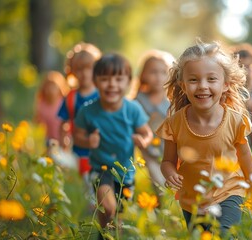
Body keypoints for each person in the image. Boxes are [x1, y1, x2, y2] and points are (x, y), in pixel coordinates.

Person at [157, 40, 252, 236]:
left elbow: (244, 156)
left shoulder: (234, 120)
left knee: (223, 234)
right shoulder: (174, 124)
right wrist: (169, 172)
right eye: (193, 80)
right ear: (183, 85)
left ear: (225, 85)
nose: (202, 86)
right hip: (193, 200)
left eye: (211, 79)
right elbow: (167, 161)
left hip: (229, 192)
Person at [73, 53, 153, 232]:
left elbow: (147, 133)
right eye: (105, 79)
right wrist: (87, 141)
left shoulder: (132, 109)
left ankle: (105, 235)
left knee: (117, 215)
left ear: (128, 82)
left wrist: (143, 141)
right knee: (108, 206)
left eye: (118, 79)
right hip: (100, 168)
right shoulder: (87, 111)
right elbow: (76, 135)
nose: (112, 84)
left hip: (125, 172)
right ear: (95, 81)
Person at [57, 42, 101, 177]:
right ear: (72, 71)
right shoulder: (71, 97)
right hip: (79, 150)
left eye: (89, 68)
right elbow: (63, 122)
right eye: (79, 69)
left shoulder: (103, 94)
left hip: (102, 149)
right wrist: (62, 144)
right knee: (87, 186)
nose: (85, 73)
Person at [134, 49, 174, 195]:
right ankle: (158, 210)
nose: (158, 77)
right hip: (148, 152)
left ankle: (165, 212)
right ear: (143, 74)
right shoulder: (138, 101)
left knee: (171, 185)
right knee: (159, 184)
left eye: (163, 72)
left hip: (169, 153)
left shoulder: (171, 102)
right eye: (153, 72)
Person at [34, 71, 70, 145]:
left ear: (59, 88)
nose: (50, 90)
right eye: (48, 86)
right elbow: (38, 122)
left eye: (53, 87)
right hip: (48, 140)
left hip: (64, 139)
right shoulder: (41, 104)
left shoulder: (63, 102)